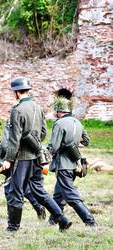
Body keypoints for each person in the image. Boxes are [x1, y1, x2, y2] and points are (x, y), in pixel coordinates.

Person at [2, 76, 72, 232]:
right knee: (39, 191)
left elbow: (14, 139)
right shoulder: (38, 108)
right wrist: (33, 143)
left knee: (15, 191)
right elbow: (43, 133)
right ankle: (62, 219)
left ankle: (13, 228)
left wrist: (8, 159)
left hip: (21, 159)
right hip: (36, 157)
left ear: (16, 92)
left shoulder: (17, 110)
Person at [47, 97, 97, 226]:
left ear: (59, 111)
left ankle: (90, 221)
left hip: (63, 165)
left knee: (70, 196)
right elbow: (86, 141)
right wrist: (74, 144)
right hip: (75, 163)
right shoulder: (77, 122)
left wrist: (44, 156)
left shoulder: (59, 123)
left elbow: (54, 147)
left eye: (56, 111)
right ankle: (53, 220)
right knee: (59, 194)